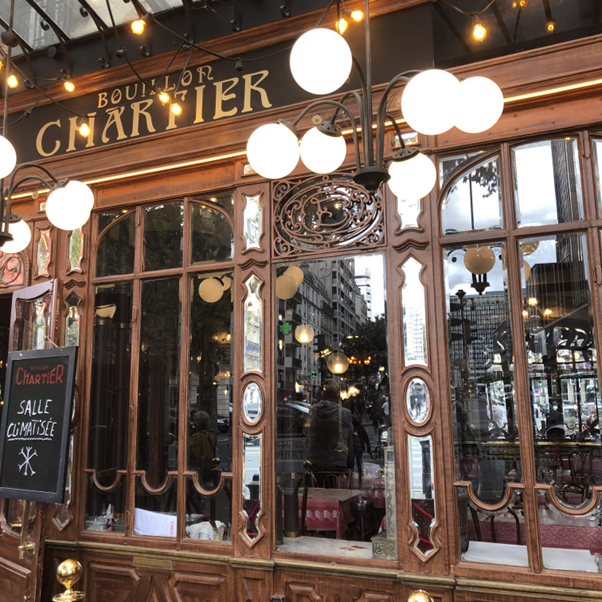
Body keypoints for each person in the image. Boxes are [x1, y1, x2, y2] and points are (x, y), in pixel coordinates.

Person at [308, 385, 354, 479]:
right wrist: (351, 464)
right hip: (338, 460)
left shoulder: (313, 411)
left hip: (317, 460)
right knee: (338, 489)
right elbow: (350, 439)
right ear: (337, 398)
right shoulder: (345, 413)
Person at [189, 411, 217, 484]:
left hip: (201, 469)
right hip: (210, 466)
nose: (194, 423)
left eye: (195, 420)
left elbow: (194, 456)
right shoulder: (211, 434)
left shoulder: (196, 437)